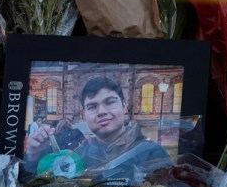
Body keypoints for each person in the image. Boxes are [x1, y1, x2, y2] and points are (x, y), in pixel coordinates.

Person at [24, 76, 171, 181]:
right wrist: (33, 154)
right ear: (84, 114)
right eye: (92, 106)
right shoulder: (77, 154)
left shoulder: (151, 153)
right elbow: (36, 185)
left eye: (109, 102)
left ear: (125, 106)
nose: (101, 111)